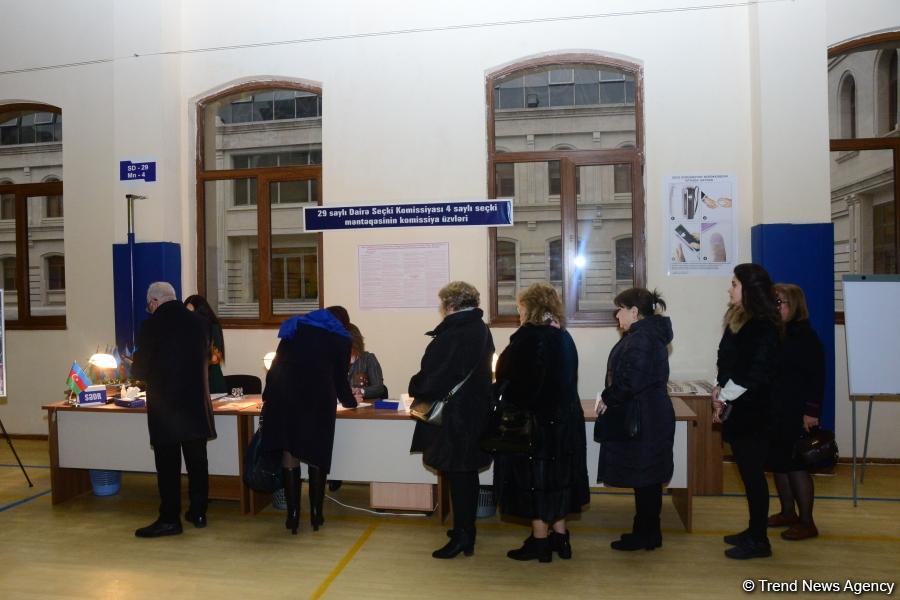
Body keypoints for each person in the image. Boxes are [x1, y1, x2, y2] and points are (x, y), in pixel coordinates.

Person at [493, 283, 590, 562]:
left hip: (536, 426)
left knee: (535, 483)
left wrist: (501, 389)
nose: (518, 312)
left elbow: (519, 387)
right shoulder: (563, 336)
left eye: (520, 307)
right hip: (565, 422)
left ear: (529, 307)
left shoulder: (529, 338)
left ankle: (539, 542)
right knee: (557, 482)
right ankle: (560, 537)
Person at [409, 281, 494, 559]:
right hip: (473, 413)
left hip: (455, 418)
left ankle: (463, 537)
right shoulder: (480, 328)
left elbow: (434, 376)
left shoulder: (454, 332)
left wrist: (415, 386)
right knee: (466, 475)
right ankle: (465, 529)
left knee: (459, 476)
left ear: (450, 305)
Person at [261, 305, 357, 534]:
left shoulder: (294, 329)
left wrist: (267, 395)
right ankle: (316, 513)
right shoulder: (341, 339)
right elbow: (339, 379)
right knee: (316, 452)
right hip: (316, 401)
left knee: (290, 451)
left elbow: (275, 368)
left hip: (283, 398)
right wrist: (350, 402)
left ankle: (292, 515)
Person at [131, 282, 217, 538]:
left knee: (168, 467)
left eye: (150, 307)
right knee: (197, 463)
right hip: (196, 405)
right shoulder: (200, 323)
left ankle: (170, 519)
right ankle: (199, 512)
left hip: (165, 408)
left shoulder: (151, 326)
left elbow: (140, 371)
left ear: (154, 302)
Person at [597, 288, 675, 551]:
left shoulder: (642, 339)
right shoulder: (645, 335)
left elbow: (631, 381)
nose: (616, 315)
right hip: (649, 414)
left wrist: (608, 397)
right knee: (646, 480)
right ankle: (645, 532)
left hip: (646, 418)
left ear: (634, 311)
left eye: (620, 309)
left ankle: (648, 535)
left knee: (646, 480)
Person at [713, 263, 780, 559]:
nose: (730, 288)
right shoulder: (740, 320)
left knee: (753, 477)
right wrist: (719, 388)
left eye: (734, 284)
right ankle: (753, 531)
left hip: (754, 413)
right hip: (739, 408)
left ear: (749, 290)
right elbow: (728, 360)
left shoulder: (763, 325)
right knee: (747, 475)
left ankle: (760, 540)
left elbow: (755, 372)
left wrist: (724, 397)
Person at [767, 283, 824, 541]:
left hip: (797, 410)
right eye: (773, 302)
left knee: (796, 466)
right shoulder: (778, 333)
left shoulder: (804, 336)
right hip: (777, 409)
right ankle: (788, 512)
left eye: (780, 302)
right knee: (779, 463)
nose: (775, 307)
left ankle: (807, 521)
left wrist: (811, 412)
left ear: (795, 306)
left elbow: (816, 377)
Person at [184, 294, 227, 394]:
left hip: (211, 381)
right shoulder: (186, 329)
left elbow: (214, 358)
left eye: (192, 313)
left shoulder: (213, 327)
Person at [347, 324, 388, 402]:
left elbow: (379, 388)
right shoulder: (333, 361)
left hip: (365, 407)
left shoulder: (368, 359)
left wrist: (361, 391)